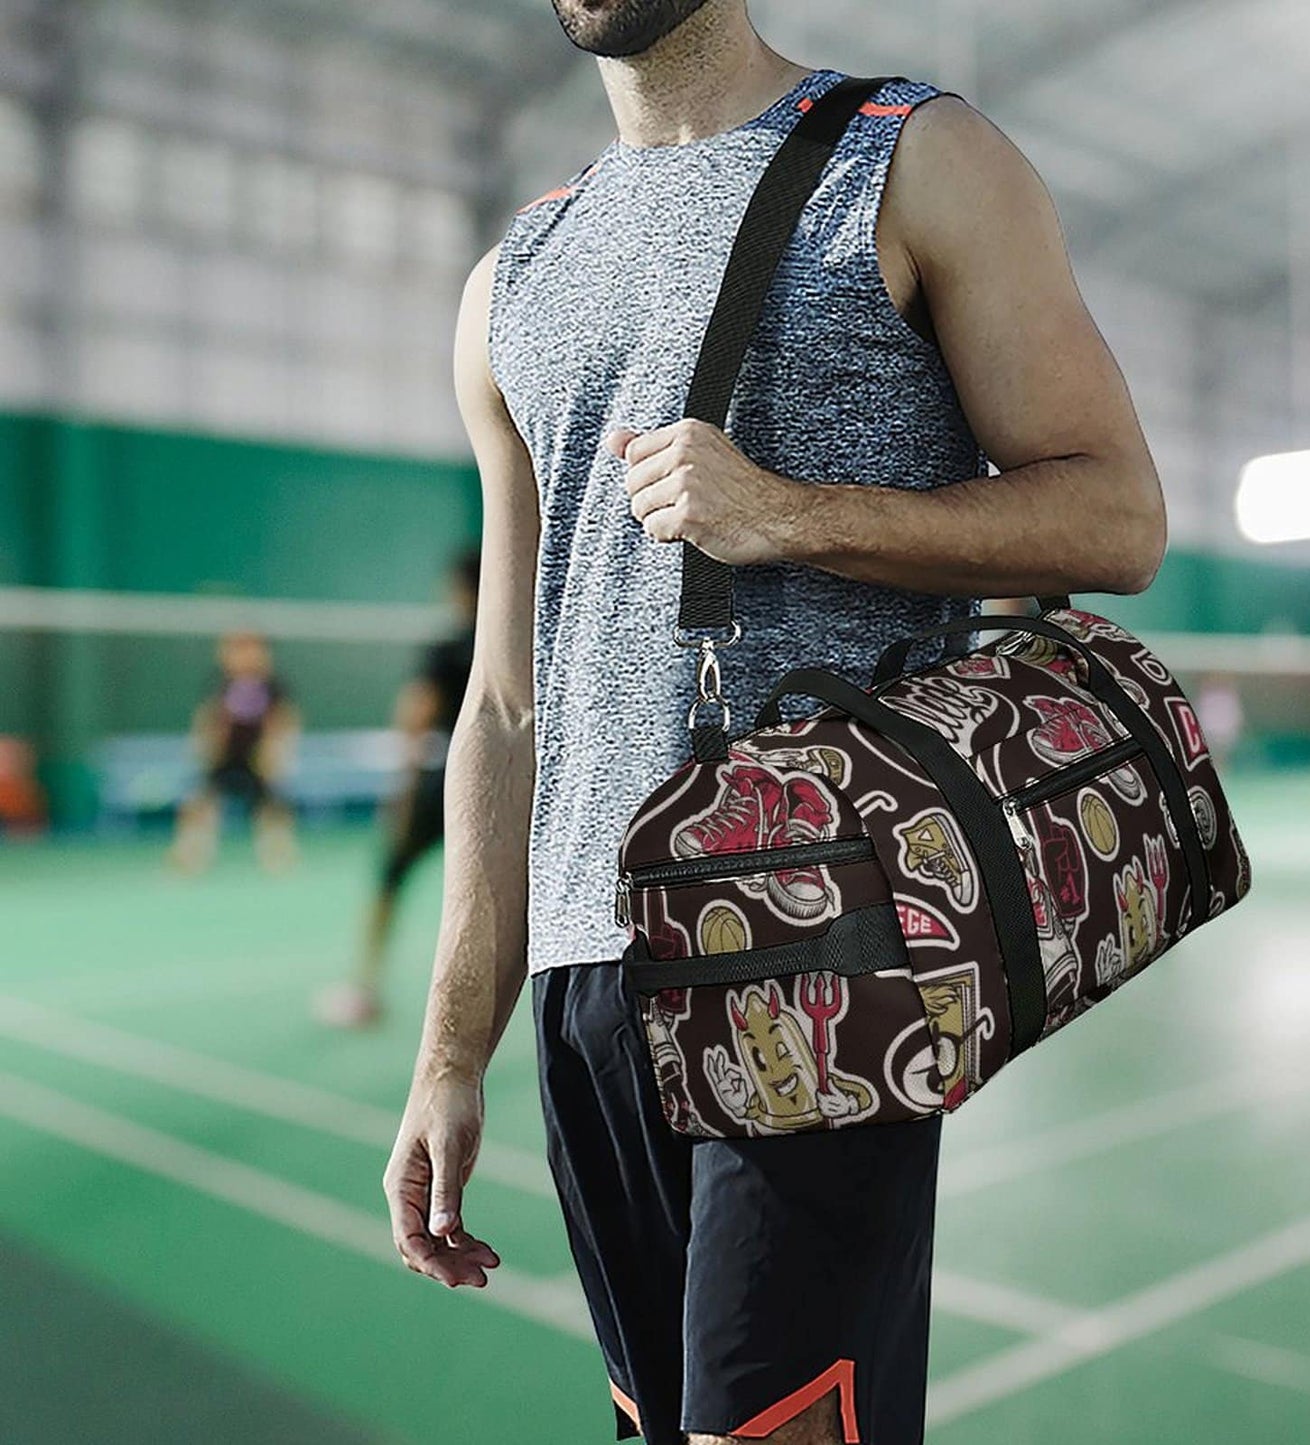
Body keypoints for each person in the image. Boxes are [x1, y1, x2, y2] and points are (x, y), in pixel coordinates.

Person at [382, 6, 1168, 1444]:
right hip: (584, 971)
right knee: (656, 1423)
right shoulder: (514, 279)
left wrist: (787, 515)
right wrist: (448, 1052)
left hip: (817, 943)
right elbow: (504, 702)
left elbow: (1115, 514)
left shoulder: (916, 159)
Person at [314, 548, 481, 1028]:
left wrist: (403, 790)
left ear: (458, 589)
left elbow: (416, 714)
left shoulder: (446, 649)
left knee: (390, 878)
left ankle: (364, 986)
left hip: (443, 780)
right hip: (505, 781)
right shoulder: (514, 639)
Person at [168, 630, 300, 874]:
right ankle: (189, 857)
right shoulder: (220, 684)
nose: (244, 655)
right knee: (200, 805)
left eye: (251, 648)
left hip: (259, 759)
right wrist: (204, 747)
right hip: (224, 758)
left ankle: (279, 857)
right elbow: (207, 719)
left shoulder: (274, 685)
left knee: (274, 808)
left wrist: (277, 753)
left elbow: (284, 720)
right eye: (236, 649)